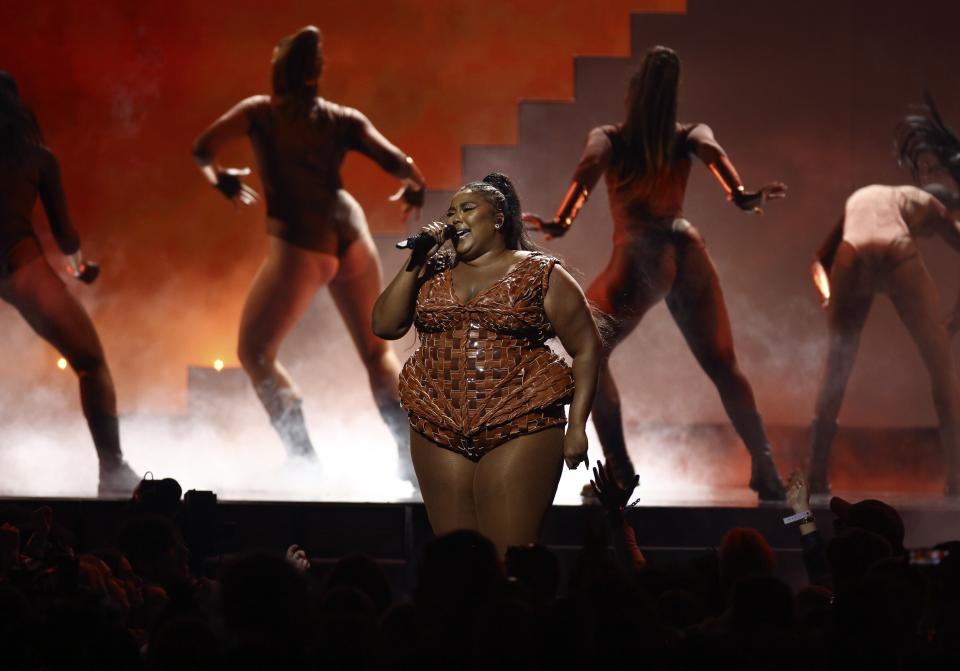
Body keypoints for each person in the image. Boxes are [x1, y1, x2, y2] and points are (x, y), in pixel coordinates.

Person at [523, 45, 788, 500]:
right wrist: (740, 193)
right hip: (688, 247)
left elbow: (589, 168)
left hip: (641, 253)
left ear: (634, 90)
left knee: (585, 345)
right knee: (724, 365)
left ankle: (621, 473)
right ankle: (766, 468)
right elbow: (712, 151)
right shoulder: (689, 134)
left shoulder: (610, 136)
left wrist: (561, 220)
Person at [192, 26, 425, 481]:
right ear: (317, 74)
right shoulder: (343, 119)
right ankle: (411, 460)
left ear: (278, 69)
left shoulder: (259, 113)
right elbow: (403, 166)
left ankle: (302, 456)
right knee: (377, 354)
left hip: (302, 245)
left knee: (254, 351)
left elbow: (202, 149)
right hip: (351, 234)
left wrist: (219, 179)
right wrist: (414, 191)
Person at [373, 172, 601, 553]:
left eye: (467, 209)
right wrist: (416, 260)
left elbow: (587, 348)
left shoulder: (540, 272)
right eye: (450, 213)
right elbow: (385, 325)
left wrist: (578, 426)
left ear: (498, 218)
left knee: (509, 559)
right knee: (459, 565)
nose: (454, 219)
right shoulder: (432, 271)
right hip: (437, 424)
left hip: (520, 420)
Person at [0, 71, 139, 497]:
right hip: (18, 265)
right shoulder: (37, 159)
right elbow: (65, 236)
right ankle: (112, 470)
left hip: (19, 264)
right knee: (90, 362)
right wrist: (80, 269)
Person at [807, 181, 960, 496]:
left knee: (836, 370)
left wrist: (829, 299)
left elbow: (819, 260)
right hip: (896, 250)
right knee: (940, 365)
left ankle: (815, 475)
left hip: (851, 257)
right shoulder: (929, 204)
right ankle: (958, 477)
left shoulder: (862, 196)